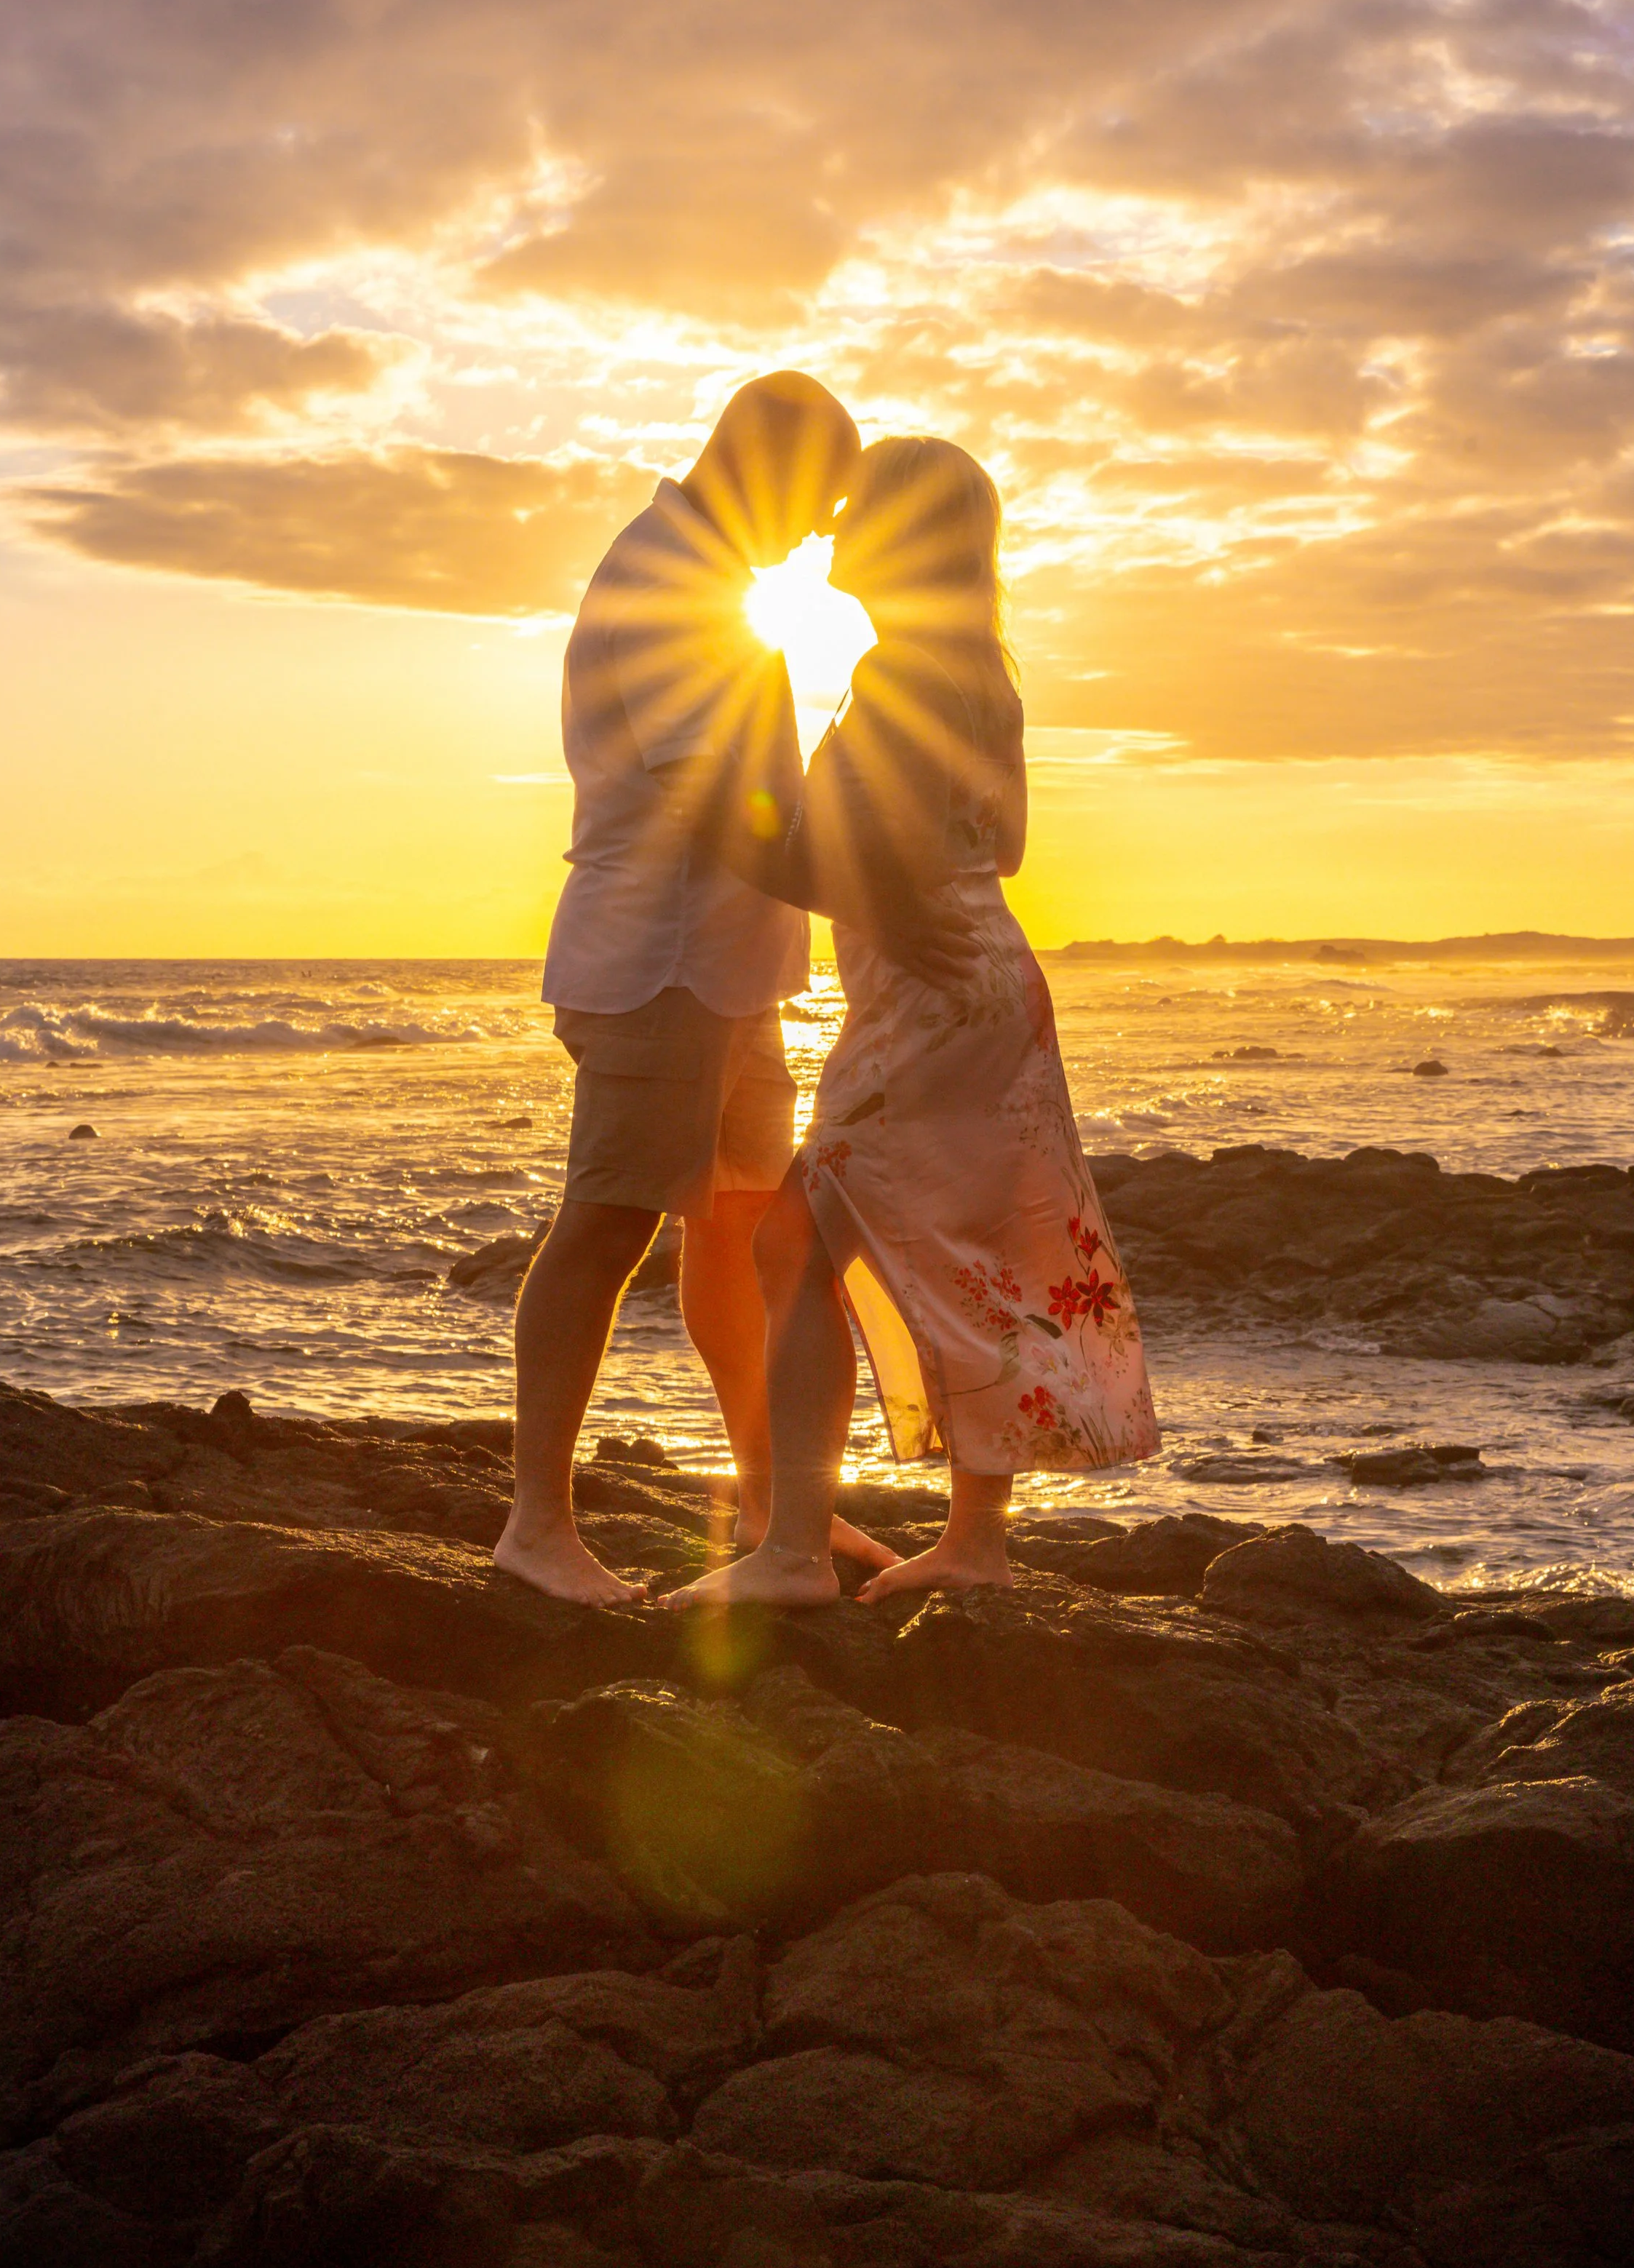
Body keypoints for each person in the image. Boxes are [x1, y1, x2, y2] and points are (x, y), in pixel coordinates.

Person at [494, 375, 970, 1607]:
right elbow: (720, 804)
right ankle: (536, 1525)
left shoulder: (718, 589)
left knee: (749, 1233)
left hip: (727, 976)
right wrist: (880, 895)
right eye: (816, 499)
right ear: (760, 462)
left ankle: (776, 1515)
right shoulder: (667, 584)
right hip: (655, 966)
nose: (821, 531)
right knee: (604, 1226)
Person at [664, 435, 1160, 1612]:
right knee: (986, 1251)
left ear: (906, 540)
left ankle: (789, 1554)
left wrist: (702, 792)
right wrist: (915, 885)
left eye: (855, 513)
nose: (830, 532)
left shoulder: (895, 681)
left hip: (928, 997)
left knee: (792, 1243)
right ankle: (976, 1545)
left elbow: (812, 861)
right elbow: (1009, 846)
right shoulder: (984, 672)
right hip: (991, 977)